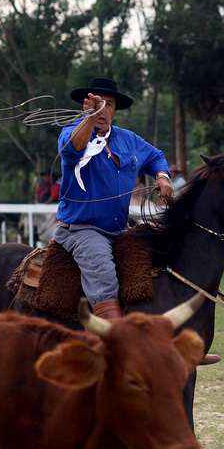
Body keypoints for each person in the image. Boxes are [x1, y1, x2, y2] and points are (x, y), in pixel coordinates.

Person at [54, 77, 172, 322]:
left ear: (115, 110)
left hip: (119, 229)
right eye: (97, 103)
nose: (103, 109)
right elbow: (74, 149)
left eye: (108, 104)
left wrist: (162, 176)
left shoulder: (128, 139)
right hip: (82, 229)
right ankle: (114, 334)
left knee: (155, 261)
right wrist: (89, 118)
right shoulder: (71, 134)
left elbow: (156, 156)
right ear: (86, 106)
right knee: (104, 275)